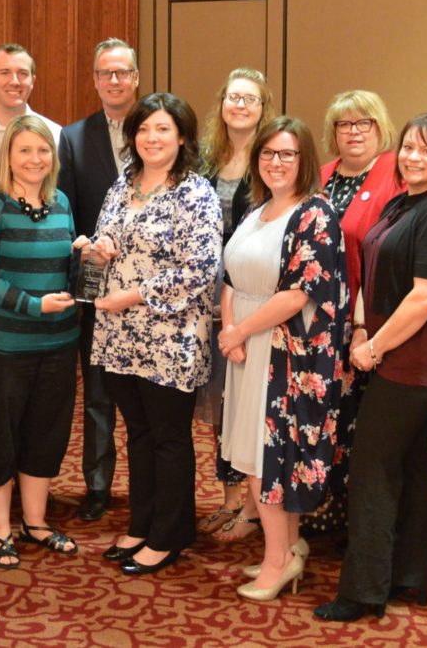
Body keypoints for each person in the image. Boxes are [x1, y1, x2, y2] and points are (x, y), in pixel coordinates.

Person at [314, 113, 427, 622]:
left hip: (417, 360)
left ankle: (363, 591)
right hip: (394, 350)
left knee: (372, 468)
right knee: (410, 463)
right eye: (408, 148)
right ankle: (411, 575)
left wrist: (374, 347)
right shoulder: (406, 201)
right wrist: (364, 330)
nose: (413, 158)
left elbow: (426, 297)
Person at [87, 93, 222, 575]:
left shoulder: (195, 192)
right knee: (137, 433)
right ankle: (143, 523)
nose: (151, 138)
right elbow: (110, 243)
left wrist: (134, 295)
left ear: (181, 136)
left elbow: (202, 268)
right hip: (119, 336)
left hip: (170, 336)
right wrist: (98, 248)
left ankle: (170, 533)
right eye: (144, 129)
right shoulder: (121, 185)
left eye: (162, 129)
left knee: (168, 437)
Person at [218, 117, 352, 601]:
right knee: (256, 454)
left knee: (268, 460)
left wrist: (238, 331)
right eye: (268, 153)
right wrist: (228, 332)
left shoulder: (315, 214)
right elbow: (232, 276)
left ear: (305, 161)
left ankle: (278, 561)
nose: (276, 163)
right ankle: (288, 548)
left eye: (287, 154)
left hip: (283, 354)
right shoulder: (258, 210)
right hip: (246, 344)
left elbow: (297, 296)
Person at [0, 115, 78, 569]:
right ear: (7, 156)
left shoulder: (62, 201)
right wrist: (35, 306)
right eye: (25, 150)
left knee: (45, 436)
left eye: (43, 151)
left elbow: (62, 267)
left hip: (58, 343)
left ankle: (35, 523)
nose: (35, 159)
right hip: (3, 348)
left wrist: (84, 253)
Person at [303, 90, 402, 538]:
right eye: (345, 124)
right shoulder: (319, 176)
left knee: (357, 424)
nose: (355, 132)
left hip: (367, 320)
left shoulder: (393, 175)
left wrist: (362, 324)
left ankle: (352, 519)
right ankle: (315, 507)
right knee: (318, 416)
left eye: (365, 123)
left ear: (381, 129)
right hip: (313, 319)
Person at [57, 37, 140, 522]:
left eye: (122, 72)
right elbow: (70, 212)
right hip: (97, 286)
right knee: (99, 395)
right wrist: (87, 249)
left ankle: (148, 487)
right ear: (94, 80)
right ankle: (98, 486)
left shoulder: (158, 129)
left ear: (135, 78)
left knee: (150, 397)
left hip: (149, 289)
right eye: (105, 73)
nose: (114, 81)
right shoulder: (72, 138)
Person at [195, 67, 275, 543]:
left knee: (248, 402)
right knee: (219, 403)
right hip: (207, 297)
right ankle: (228, 498)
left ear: (264, 108)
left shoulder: (271, 161)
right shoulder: (205, 161)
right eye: (233, 97)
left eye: (250, 99)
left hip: (251, 295)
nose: (240, 106)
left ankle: (250, 505)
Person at [0, 43, 61, 162]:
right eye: (5, 72)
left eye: (23, 73)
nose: (15, 82)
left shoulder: (54, 134)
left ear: (32, 81)